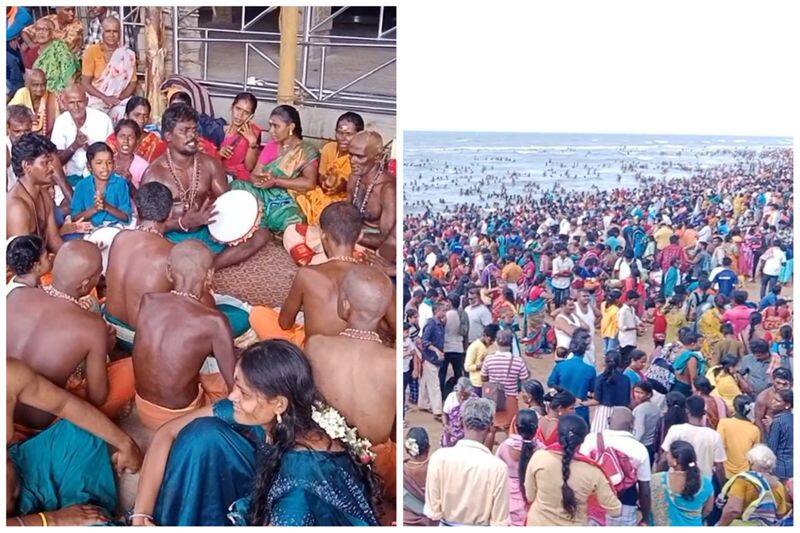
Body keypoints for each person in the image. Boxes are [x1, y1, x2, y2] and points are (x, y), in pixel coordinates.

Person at [132, 340, 380, 526]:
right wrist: (140, 515)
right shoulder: (277, 414)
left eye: (244, 393)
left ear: (279, 404)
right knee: (200, 435)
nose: (232, 396)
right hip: (264, 490)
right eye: (236, 385)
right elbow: (167, 433)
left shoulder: (300, 484)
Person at [7, 240, 134, 429]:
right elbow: (98, 397)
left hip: (6, 409)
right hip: (42, 421)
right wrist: (104, 348)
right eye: (99, 274)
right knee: (131, 369)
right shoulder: (93, 326)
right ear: (85, 285)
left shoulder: (15, 295)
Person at [6, 359, 142, 526]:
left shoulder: (9, 375)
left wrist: (125, 443)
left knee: (80, 429)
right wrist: (53, 520)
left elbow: (64, 405)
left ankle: (94, 511)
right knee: (91, 522)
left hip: (21, 469)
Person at [303, 265, 397, 503]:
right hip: (378, 467)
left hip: (321, 458)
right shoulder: (394, 361)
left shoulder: (315, 345)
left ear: (344, 304)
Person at [141, 103, 269, 269]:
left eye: (194, 130)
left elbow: (227, 202)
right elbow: (146, 226)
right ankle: (194, 264)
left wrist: (243, 216)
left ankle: (210, 266)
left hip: (206, 231)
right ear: (169, 136)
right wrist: (182, 223)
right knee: (151, 247)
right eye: (184, 131)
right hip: (172, 236)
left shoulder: (210, 164)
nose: (191, 136)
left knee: (261, 234)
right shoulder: (154, 174)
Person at [253, 202, 394, 342]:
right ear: (360, 236)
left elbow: (284, 324)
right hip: (359, 356)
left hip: (314, 356)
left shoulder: (306, 274)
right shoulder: (379, 278)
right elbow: (396, 331)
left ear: (322, 235)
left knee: (258, 315)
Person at [132, 240, 236, 430]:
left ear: (169, 271)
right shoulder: (215, 322)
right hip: (181, 418)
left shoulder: (148, 301)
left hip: (143, 409)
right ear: (210, 275)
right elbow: (233, 388)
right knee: (232, 383)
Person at [103, 182, 175, 350]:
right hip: (143, 339)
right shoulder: (172, 252)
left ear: (136, 209)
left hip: (109, 326)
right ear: (170, 213)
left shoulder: (120, 237)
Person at [229, 104, 318, 232]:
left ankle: (258, 218)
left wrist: (276, 181)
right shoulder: (271, 146)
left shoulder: (306, 150)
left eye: (276, 126)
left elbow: (309, 183)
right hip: (264, 192)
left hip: (287, 199)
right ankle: (260, 217)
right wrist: (260, 182)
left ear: (291, 127)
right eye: (270, 125)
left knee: (288, 219)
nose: (271, 130)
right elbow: (254, 174)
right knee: (236, 185)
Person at [424, 397, 510, 526]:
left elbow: (432, 515)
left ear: (460, 421)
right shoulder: (498, 468)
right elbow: (499, 522)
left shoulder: (438, 458)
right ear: (491, 426)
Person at [525, 414, 622, 525]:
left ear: (557, 435)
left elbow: (530, 496)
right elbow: (615, 509)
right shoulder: (593, 471)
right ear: (583, 439)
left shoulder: (539, 457)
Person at [580, 407, 652, 526]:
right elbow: (645, 490)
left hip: (594, 501)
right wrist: (645, 517)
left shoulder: (591, 439)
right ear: (632, 425)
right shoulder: (639, 449)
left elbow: (581, 470)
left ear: (608, 420)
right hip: (625, 504)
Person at [294, 111, 365, 225]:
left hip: (346, 198)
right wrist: (325, 183)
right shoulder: (329, 148)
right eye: (339, 132)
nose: (343, 138)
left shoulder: (360, 156)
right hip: (324, 192)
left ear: (359, 135)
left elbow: (359, 186)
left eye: (348, 134)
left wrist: (341, 185)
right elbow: (321, 176)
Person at [7, 133, 66, 252]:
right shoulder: (16, 207)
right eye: (45, 163)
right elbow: (23, 263)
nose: (52, 168)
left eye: (51, 162)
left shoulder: (43, 194)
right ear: (27, 166)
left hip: (40, 263)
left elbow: (54, 240)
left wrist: (72, 257)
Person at [51, 84, 114, 186]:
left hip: (100, 179)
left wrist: (90, 150)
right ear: (64, 103)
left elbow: (112, 156)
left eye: (80, 102)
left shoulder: (103, 120)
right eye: (71, 102)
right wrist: (75, 145)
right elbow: (57, 161)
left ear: (87, 101)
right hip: (70, 179)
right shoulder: (61, 122)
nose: (76, 107)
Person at [659, 395, 726, 487]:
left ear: (687, 410)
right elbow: (719, 468)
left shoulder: (675, 430)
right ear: (704, 412)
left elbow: (663, 459)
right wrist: (723, 488)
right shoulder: (714, 435)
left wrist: (657, 479)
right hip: (703, 486)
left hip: (675, 482)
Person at [717, 444, 791, 526]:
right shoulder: (778, 485)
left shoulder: (743, 480)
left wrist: (721, 525)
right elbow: (780, 514)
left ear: (750, 462)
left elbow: (733, 509)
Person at [81, 16, 137, 122]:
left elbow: (132, 83)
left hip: (119, 101)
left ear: (120, 33)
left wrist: (117, 99)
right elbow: (85, 83)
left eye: (115, 31)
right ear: (102, 32)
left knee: (129, 118)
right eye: (108, 31)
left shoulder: (127, 54)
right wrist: (105, 98)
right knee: (98, 120)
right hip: (96, 101)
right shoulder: (92, 52)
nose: (111, 35)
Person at [650, 440, 715, 526]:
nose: (666, 456)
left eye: (668, 454)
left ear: (675, 461)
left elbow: (645, 498)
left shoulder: (657, 479)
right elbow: (708, 509)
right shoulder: (706, 483)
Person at [70, 141, 132, 227]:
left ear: (114, 164)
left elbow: (126, 218)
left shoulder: (120, 183)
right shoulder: (81, 185)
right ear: (89, 166)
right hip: (89, 229)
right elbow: (75, 218)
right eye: (99, 163)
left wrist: (106, 207)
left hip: (115, 228)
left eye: (109, 162)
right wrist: (95, 209)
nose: (105, 167)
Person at [481, 329, 531, 432]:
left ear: (497, 341)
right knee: (511, 427)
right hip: (510, 397)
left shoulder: (489, 359)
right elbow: (524, 380)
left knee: (492, 427)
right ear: (511, 342)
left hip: (493, 397)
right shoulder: (518, 361)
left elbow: (483, 377)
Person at [496, 408, 538, 525]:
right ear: (536, 429)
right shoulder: (541, 450)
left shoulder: (504, 447)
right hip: (532, 504)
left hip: (507, 503)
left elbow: (497, 473)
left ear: (515, 426)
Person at [547, 329, 596, 423]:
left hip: (562, 409)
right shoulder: (590, 370)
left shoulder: (560, 366)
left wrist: (562, 390)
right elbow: (593, 390)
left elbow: (550, 383)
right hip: (580, 409)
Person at [23, 17, 81, 93]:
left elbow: (69, 78)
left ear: (52, 33)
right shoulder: (30, 54)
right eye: (38, 29)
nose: (41, 32)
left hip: (61, 93)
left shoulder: (61, 49)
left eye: (45, 29)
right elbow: (29, 81)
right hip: (39, 93)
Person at [105, 96, 163, 162]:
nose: (141, 120)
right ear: (126, 116)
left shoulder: (154, 141)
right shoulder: (113, 140)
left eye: (145, 116)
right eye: (137, 115)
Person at [219, 92, 262, 182]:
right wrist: (219, 154)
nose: (240, 115)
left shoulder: (254, 133)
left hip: (238, 180)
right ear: (232, 108)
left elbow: (249, 167)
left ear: (251, 116)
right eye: (238, 109)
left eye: (246, 112)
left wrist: (252, 142)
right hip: (217, 174)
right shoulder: (219, 130)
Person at [717, 394, 761, 479]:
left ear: (734, 407)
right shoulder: (755, 429)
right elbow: (755, 455)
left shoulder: (723, 423)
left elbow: (720, 447)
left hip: (726, 472)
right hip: (745, 474)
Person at [587, 350, 631, 433]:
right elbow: (627, 400)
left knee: (599, 436)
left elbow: (597, 400)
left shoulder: (600, 378)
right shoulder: (626, 379)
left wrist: (583, 403)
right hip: (621, 411)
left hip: (604, 412)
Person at [8, 69, 60, 137]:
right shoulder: (22, 93)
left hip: (45, 139)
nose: (39, 89)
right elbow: (9, 113)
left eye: (43, 84)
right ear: (28, 85)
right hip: (21, 136)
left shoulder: (52, 97)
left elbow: (57, 121)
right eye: (35, 85)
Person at [403, 427, 433, 526]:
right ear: (428, 448)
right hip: (433, 520)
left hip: (407, 521)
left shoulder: (403, 469)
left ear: (407, 449)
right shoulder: (436, 468)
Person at [754, 367, 792, 439]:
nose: (781, 387)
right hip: (772, 433)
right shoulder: (763, 397)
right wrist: (763, 440)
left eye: (785, 384)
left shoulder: (792, 393)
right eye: (778, 383)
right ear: (772, 380)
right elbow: (758, 420)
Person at [441, 294, 465, 397]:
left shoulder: (446, 315)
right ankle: (459, 394)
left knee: (442, 373)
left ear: (450, 302)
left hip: (447, 346)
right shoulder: (461, 314)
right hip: (458, 347)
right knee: (458, 373)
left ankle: (442, 394)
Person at [441, 377, 477, 447]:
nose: (462, 398)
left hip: (468, 433)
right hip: (452, 432)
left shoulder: (474, 399)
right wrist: (445, 424)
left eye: (465, 396)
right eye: (461, 394)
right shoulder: (451, 397)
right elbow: (444, 414)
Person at [464, 324, 499, 396]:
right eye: (490, 340)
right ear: (484, 335)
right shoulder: (474, 346)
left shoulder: (495, 345)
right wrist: (478, 366)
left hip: (492, 382)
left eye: (494, 340)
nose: (492, 342)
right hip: (477, 384)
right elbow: (467, 367)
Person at [765, 389, 792, 481]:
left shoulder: (777, 422)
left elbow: (772, 448)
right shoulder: (791, 418)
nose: (773, 402)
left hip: (780, 467)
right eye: (773, 399)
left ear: (787, 405)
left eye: (777, 401)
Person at [632, 381, 661, 463]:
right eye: (636, 392)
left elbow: (640, 431)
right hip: (652, 445)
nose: (637, 395)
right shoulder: (656, 407)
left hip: (641, 445)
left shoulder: (640, 409)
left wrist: (632, 445)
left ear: (648, 395)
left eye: (641, 393)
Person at [617, 290, 642, 358]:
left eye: (637, 300)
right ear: (628, 299)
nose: (636, 302)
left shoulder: (632, 309)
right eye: (634, 300)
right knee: (625, 358)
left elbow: (634, 318)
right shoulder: (623, 311)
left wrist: (640, 323)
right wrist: (635, 328)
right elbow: (621, 327)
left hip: (632, 339)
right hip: (625, 340)